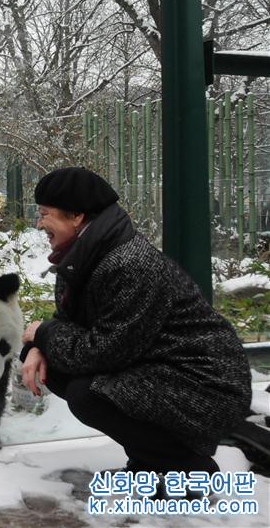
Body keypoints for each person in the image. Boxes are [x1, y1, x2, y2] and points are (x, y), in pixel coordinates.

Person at [20, 167, 251, 481]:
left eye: (44, 214)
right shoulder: (81, 255)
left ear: (76, 216)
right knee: (60, 370)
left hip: (205, 385)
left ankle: (188, 470)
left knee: (88, 393)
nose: (39, 224)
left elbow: (104, 351)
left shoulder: (130, 263)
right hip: (159, 370)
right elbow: (69, 322)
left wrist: (43, 335)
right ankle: (149, 463)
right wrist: (37, 346)